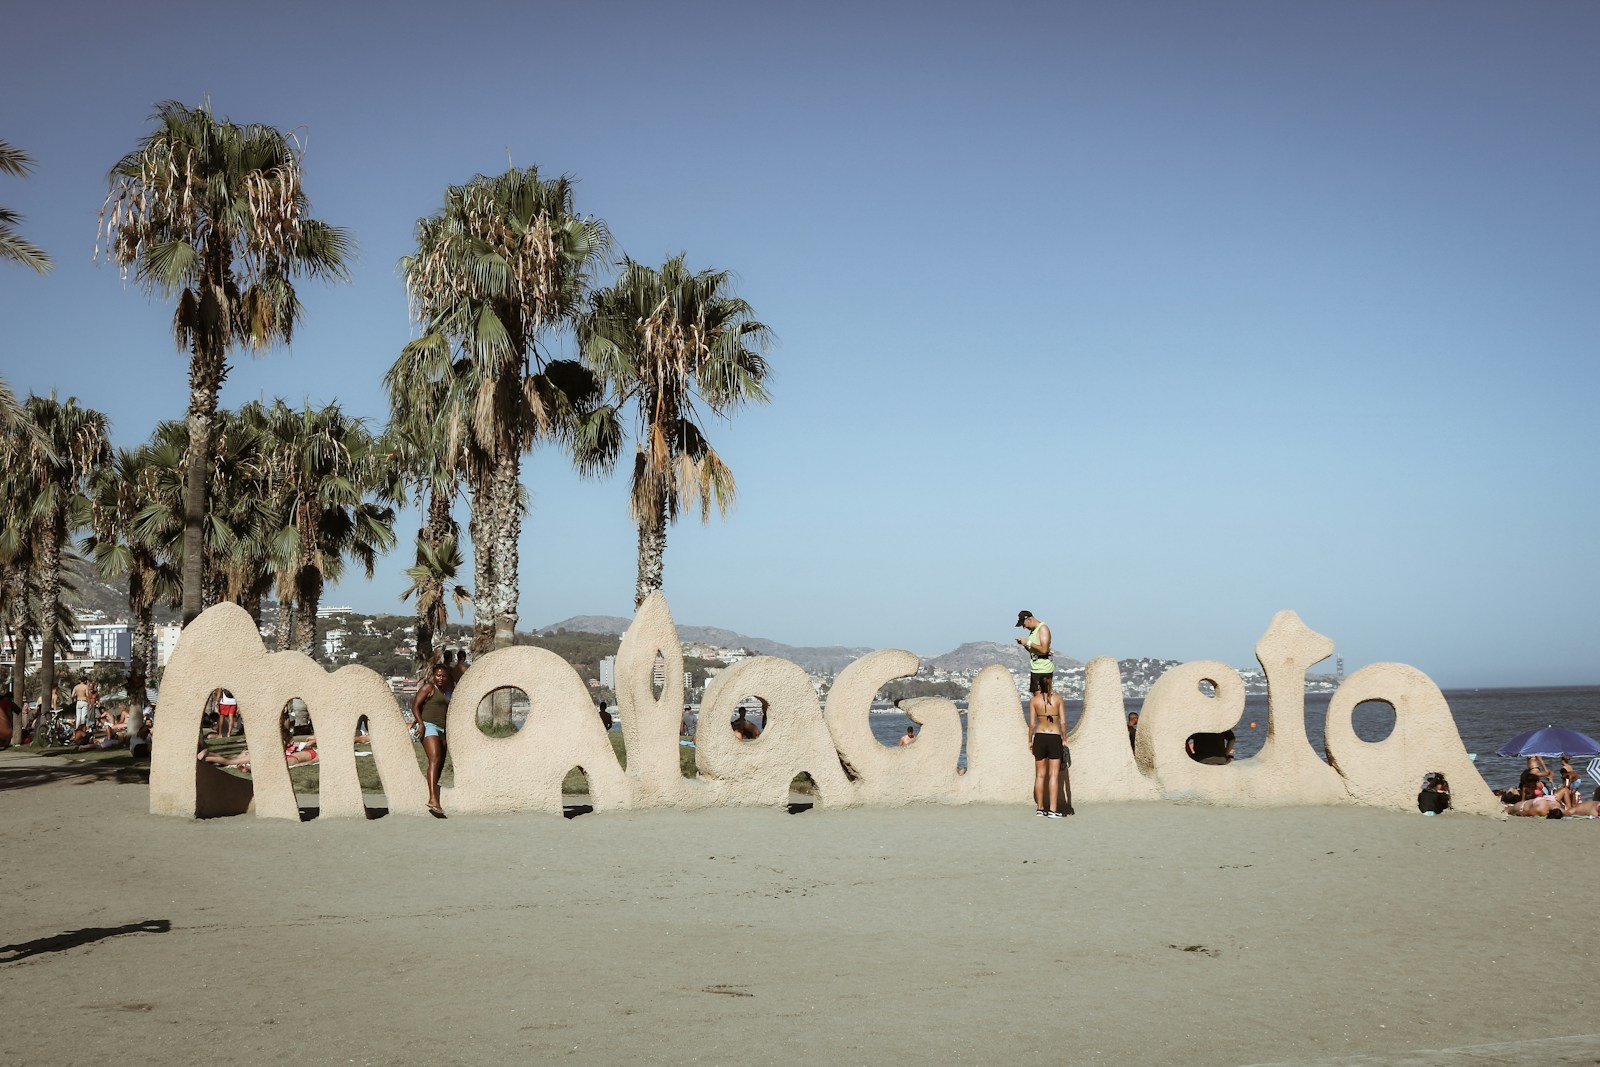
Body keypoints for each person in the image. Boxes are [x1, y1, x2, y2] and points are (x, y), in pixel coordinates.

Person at [411, 660, 454, 817]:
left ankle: (432, 792)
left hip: (443, 729)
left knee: (440, 762)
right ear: (433, 676)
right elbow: (415, 705)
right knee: (435, 758)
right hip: (428, 725)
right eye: (438, 675)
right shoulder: (429, 688)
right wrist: (421, 724)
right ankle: (433, 799)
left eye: (443, 676)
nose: (441, 678)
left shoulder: (448, 691)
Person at [1028, 689, 1065, 818]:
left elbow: (1032, 724)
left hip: (1039, 736)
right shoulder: (1058, 699)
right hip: (1054, 736)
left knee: (1039, 775)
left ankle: (1040, 808)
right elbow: (1063, 722)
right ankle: (1053, 811)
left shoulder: (1034, 700)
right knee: (1053, 775)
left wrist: (1029, 740)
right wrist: (1064, 739)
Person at [1014, 611, 1054, 695]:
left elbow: (1044, 650)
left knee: (1042, 699)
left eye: (1024, 625)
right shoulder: (1033, 631)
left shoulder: (1042, 629)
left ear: (1030, 619)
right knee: (1036, 698)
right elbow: (1035, 651)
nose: (1024, 628)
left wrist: (1028, 642)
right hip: (1035, 668)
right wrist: (1025, 645)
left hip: (1043, 669)